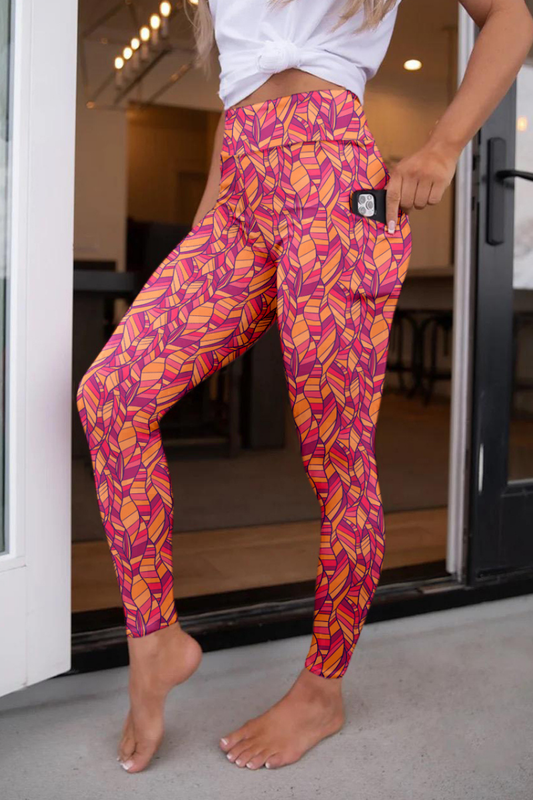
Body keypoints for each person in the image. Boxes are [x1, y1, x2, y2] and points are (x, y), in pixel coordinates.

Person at [76, 0, 533, 776]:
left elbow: (511, 17)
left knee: (337, 462)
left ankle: (323, 690)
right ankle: (153, 640)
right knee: (111, 395)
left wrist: (442, 146)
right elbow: (238, 92)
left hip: (331, 187)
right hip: (238, 192)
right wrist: (199, 237)